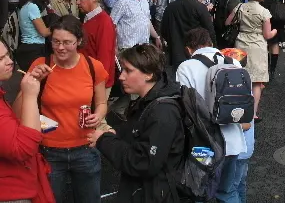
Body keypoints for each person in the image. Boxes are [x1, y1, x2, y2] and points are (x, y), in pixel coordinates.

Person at [20, 15, 108, 202]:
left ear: (79, 41)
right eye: (56, 41)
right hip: (49, 150)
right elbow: (18, 110)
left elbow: (101, 103)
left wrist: (98, 116)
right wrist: (33, 81)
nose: (60, 47)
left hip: (86, 147)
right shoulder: (40, 65)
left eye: (67, 42)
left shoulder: (93, 66)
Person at [88, 44, 185, 203]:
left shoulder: (162, 112)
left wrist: (103, 140)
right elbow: (138, 135)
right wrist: (115, 135)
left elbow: (143, 162)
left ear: (148, 74)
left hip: (155, 194)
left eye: (128, 70)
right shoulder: (148, 101)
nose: (121, 76)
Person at [176, 27, 248, 203]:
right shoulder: (234, 62)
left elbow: (184, 108)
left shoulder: (186, 67)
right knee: (227, 192)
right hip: (233, 141)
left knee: (199, 193)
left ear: (188, 49)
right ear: (210, 43)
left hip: (203, 145)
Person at [0, 39, 52, 203]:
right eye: (1, 59)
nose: (10, 62)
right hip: (11, 194)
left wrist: (30, 85)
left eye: (8, 55)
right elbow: (24, 148)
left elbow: (15, 119)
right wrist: (30, 95)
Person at [225, 0, 276, 121]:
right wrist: (275, 31)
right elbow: (267, 35)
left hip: (241, 43)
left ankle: (239, 108)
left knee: (241, 77)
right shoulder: (264, 12)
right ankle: (253, 113)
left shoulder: (240, 7)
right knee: (257, 81)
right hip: (258, 46)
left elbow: (227, 22)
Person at [160, 0, 215, 70]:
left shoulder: (170, 8)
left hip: (177, 53)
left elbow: (163, 30)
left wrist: (172, 42)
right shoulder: (200, 7)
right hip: (197, 52)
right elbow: (210, 30)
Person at [77, 0, 117, 101]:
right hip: (87, 78)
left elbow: (105, 55)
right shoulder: (88, 17)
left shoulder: (103, 22)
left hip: (96, 82)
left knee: (95, 117)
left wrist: (99, 83)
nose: (77, 2)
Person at [14, 0, 54, 71]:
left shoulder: (25, 5)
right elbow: (44, 32)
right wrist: (59, 25)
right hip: (35, 48)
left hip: (28, 47)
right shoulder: (32, 7)